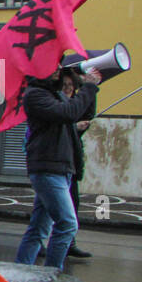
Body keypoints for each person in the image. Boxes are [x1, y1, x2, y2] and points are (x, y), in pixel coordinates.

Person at [13, 65, 99, 269]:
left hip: (59, 168)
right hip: (48, 169)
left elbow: (83, 111)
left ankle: (19, 269)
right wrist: (88, 88)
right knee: (67, 224)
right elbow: (69, 113)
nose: (58, 69)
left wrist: (90, 87)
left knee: (39, 228)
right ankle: (51, 272)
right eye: (52, 65)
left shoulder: (54, 95)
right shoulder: (35, 95)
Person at [64, 70, 98, 259]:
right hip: (55, 167)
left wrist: (90, 89)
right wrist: (73, 127)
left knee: (72, 206)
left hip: (71, 165)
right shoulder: (55, 105)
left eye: (72, 86)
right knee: (51, 212)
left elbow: (87, 112)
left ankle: (69, 242)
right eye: (65, 85)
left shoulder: (72, 106)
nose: (69, 89)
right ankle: (43, 244)